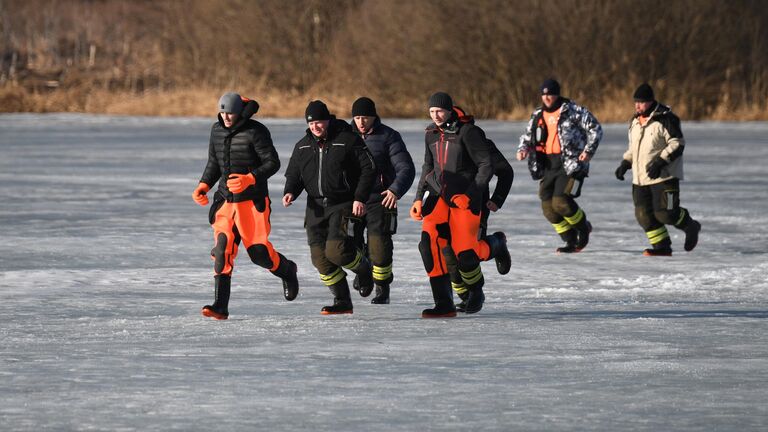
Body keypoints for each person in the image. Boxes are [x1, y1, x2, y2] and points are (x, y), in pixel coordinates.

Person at [193, 92, 299, 320]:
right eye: (222, 112)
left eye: (230, 112)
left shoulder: (256, 131)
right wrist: (203, 185)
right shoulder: (216, 130)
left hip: (252, 202)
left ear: (240, 112)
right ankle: (220, 306)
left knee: (259, 254)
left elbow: (273, 162)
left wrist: (250, 178)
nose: (226, 117)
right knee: (222, 250)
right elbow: (214, 162)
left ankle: (288, 270)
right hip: (224, 200)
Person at [410, 92, 511, 318]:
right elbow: (428, 167)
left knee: (465, 252)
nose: (435, 116)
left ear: (449, 109)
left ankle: (494, 251)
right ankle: (444, 303)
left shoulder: (470, 133)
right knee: (429, 246)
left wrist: (476, 195)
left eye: (439, 111)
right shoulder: (431, 134)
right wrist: (418, 198)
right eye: (431, 112)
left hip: (466, 199)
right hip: (438, 198)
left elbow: (488, 166)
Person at [283, 100, 376, 314]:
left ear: (328, 120)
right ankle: (343, 301)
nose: (316, 126)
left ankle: (364, 269)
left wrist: (360, 198)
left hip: (343, 204)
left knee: (337, 252)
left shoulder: (347, 139)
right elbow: (294, 174)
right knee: (320, 259)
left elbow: (369, 169)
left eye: (320, 122)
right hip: (315, 207)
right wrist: (290, 191)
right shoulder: (303, 145)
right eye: (312, 123)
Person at [614, 83, 701, 256]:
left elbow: (677, 144)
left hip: (664, 177)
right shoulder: (634, 121)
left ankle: (691, 226)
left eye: (642, 102)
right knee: (643, 215)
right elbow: (634, 148)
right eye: (636, 102)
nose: (638, 106)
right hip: (640, 179)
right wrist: (625, 163)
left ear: (651, 101)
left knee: (667, 214)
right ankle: (662, 247)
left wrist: (660, 162)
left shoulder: (666, 119)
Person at [517, 79, 602, 253]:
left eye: (551, 93)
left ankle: (583, 228)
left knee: (561, 201)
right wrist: (523, 149)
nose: (547, 97)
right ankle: (570, 240)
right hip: (548, 164)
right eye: (544, 94)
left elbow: (595, 129)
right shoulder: (538, 114)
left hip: (571, 164)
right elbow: (528, 136)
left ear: (558, 94)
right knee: (548, 208)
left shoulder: (573, 111)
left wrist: (588, 151)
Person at [443, 106, 514, 312]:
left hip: (474, 206)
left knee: (467, 253)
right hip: (446, 206)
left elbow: (506, 171)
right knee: (447, 251)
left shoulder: (479, 143)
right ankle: (464, 295)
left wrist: (496, 199)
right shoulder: (441, 143)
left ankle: (496, 245)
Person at [348, 97, 415, 305]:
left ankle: (382, 288)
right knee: (351, 243)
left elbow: (406, 168)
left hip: (381, 199)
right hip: (352, 200)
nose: (361, 122)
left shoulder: (388, 136)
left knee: (380, 247)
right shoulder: (345, 136)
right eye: (357, 117)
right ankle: (363, 272)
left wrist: (395, 190)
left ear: (374, 117)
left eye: (365, 118)